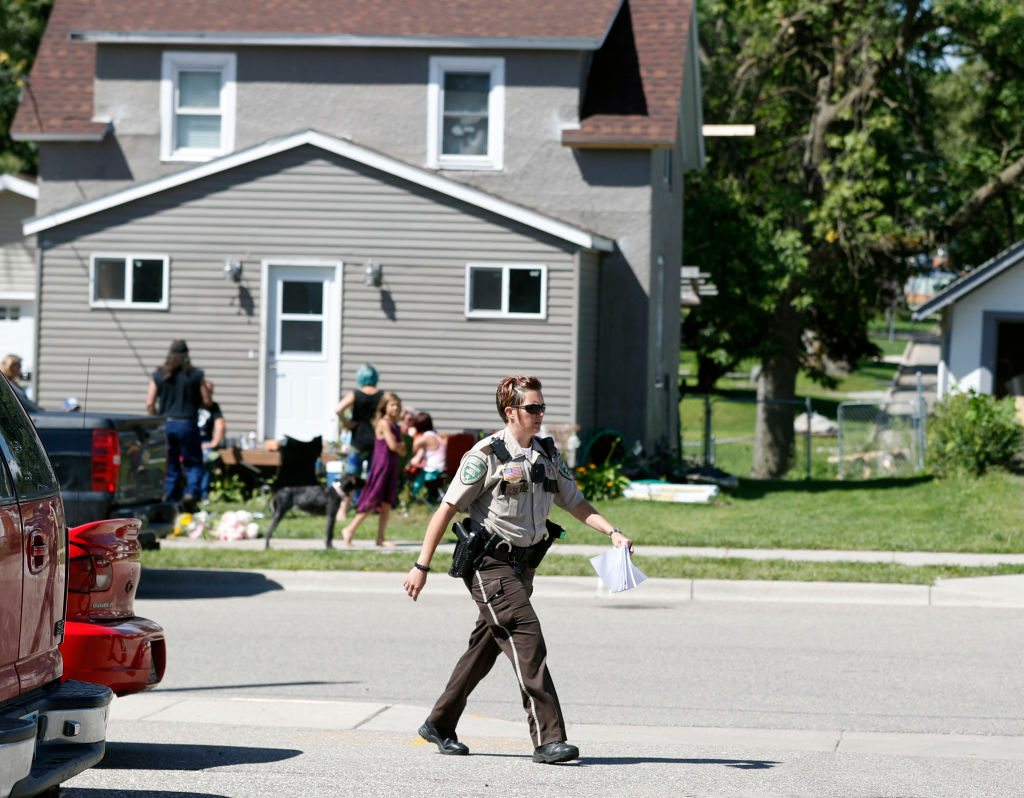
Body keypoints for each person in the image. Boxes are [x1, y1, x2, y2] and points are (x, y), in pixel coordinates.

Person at [403, 375, 633, 765]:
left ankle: (439, 723)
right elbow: (446, 509)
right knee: (527, 638)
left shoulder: (545, 452)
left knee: (484, 648)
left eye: (542, 407)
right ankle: (548, 740)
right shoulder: (485, 455)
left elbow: (574, 501)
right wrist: (421, 565)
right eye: (533, 408)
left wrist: (612, 532)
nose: (540, 414)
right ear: (510, 413)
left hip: (522, 568)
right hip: (487, 564)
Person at [145, 340, 210, 512]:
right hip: (188, 423)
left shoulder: (158, 376)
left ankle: (170, 500)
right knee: (194, 463)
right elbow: (207, 400)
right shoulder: (196, 375)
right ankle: (190, 494)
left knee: (170, 464)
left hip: (167, 424)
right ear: (187, 355)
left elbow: (149, 403)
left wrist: (157, 418)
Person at [341, 391, 405, 547]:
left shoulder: (395, 426)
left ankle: (380, 538)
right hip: (381, 467)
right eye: (392, 405)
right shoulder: (384, 423)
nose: (395, 408)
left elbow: (403, 450)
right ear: (384, 407)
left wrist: (399, 446)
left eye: (397, 405)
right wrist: (399, 446)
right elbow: (393, 446)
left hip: (391, 467)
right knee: (372, 499)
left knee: (386, 503)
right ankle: (349, 529)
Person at [334, 364, 383, 519]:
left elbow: (338, 409)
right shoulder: (383, 395)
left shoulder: (355, 394)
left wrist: (346, 422)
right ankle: (368, 509)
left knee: (351, 476)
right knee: (372, 477)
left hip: (358, 442)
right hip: (377, 442)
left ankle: (343, 510)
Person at [197, 381, 226, 502]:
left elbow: (220, 424)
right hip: (189, 441)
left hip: (205, 442)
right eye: (206, 391)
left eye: (210, 392)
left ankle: (204, 494)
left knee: (208, 459)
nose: (209, 394)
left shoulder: (213, 407)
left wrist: (214, 443)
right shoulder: (191, 404)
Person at [406, 412, 447, 496]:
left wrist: (411, 435)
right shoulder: (436, 436)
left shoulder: (424, 439)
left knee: (410, 471)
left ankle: (413, 495)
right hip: (441, 470)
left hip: (432, 473)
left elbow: (408, 452)